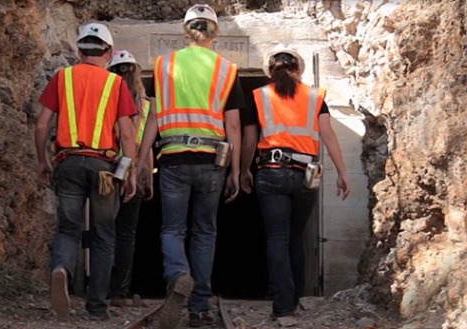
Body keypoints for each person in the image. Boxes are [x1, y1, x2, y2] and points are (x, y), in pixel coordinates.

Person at [137, 4, 245, 328]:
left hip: (172, 157)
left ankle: (177, 275)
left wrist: (143, 159)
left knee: (172, 229)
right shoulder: (227, 69)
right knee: (205, 232)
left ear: (186, 31)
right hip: (213, 161)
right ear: (215, 32)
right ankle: (200, 306)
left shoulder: (163, 65)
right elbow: (235, 126)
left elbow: (154, 117)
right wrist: (237, 171)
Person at [34, 22, 138, 321]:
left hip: (67, 163)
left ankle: (60, 268)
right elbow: (128, 135)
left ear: (79, 50)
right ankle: (97, 307)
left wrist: (43, 160)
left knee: (69, 228)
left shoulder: (62, 77)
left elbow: (42, 125)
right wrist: (130, 172)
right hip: (104, 168)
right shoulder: (116, 84)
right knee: (104, 236)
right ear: (107, 52)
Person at [239, 44, 350, 320]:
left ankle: (282, 305)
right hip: (306, 176)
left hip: (271, 171)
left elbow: (250, 140)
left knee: (277, 237)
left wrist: (243, 170)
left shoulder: (259, 96)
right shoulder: (314, 97)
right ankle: (297, 295)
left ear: (269, 71)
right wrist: (342, 172)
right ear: (298, 69)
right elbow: (329, 135)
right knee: (295, 236)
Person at [106, 49, 155, 307]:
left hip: (107, 163)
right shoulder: (146, 105)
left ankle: (98, 288)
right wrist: (148, 175)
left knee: (104, 230)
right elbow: (145, 143)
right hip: (133, 166)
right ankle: (119, 292)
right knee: (126, 232)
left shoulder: (106, 97)